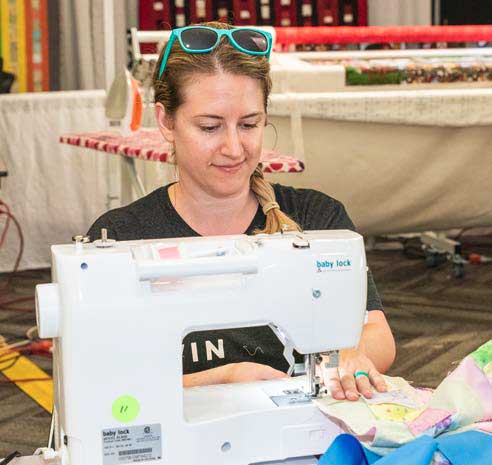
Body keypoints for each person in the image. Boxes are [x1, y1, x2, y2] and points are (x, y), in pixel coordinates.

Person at [88, 22, 396, 401]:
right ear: (166, 121)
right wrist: (218, 381)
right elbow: (99, 380)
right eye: (210, 127)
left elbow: (377, 334)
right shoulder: (119, 238)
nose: (234, 148)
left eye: (249, 124)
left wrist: (352, 356)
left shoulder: (318, 218)